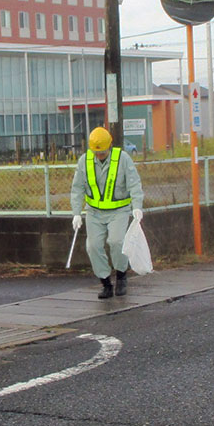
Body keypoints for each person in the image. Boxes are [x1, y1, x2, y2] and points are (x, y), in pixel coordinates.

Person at [71, 127, 144, 299]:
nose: (99, 156)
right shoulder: (84, 161)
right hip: (94, 212)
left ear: (110, 146)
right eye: (97, 153)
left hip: (119, 210)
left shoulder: (123, 159)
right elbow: (77, 188)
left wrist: (137, 206)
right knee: (93, 246)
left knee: (117, 242)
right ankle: (105, 283)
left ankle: (121, 276)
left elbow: (134, 183)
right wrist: (76, 213)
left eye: (103, 153)